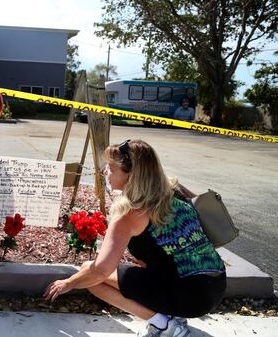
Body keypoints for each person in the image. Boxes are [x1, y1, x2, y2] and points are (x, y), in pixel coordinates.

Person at [43, 139, 226, 337]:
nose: (105, 172)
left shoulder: (130, 213)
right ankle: (172, 313)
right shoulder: (174, 191)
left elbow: (100, 271)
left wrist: (68, 283)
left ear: (132, 175)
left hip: (190, 297)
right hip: (216, 286)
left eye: (112, 168)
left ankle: (165, 326)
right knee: (147, 261)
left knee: (89, 276)